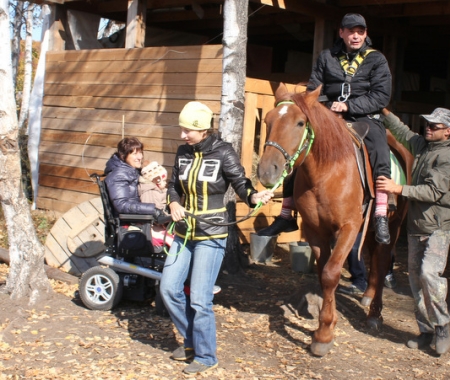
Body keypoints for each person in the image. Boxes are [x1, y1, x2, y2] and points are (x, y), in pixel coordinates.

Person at [257, 13, 393, 246]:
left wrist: (350, 105)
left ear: (365, 34)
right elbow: (314, 89)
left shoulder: (377, 60)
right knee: (299, 150)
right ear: (341, 33)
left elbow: (381, 95)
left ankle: (381, 211)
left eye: (360, 31)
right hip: (328, 116)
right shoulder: (326, 57)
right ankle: (286, 213)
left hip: (364, 116)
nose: (356, 36)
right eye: (351, 31)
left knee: (380, 148)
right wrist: (327, 109)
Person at [159, 101, 274, 375]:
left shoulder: (223, 152)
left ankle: (206, 356)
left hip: (212, 233)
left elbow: (241, 182)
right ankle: (191, 341)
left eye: (188, 130)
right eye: (182, 129)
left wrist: (254, 196)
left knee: (199, 299)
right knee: (168, 289)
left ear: (203, 130)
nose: (183, 135)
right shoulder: (182, 152)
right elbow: (174, 186)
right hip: (184, 232)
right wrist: (173, 202)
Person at [376, 107, 450, 356]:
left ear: (448, 132)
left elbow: (432, 192)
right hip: (417, 226)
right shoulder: (424, 146)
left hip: (438, 227)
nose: (428, 127)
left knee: (428, 274)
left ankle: (442, 326)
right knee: (416, 281)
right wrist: (384, 111)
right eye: (427, 123)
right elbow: (403, 133)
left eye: (434, 126)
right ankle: (425, 332)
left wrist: (398, 188)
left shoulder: (448, 159)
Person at [104, 137, 164, 220]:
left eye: (140, 152)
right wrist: (152, 210)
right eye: (135, 154)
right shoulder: (119, 175)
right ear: (123, 156)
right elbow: (121, 205)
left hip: (141, 217)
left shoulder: (133, 170)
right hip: (129, 221)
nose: (140, 157)